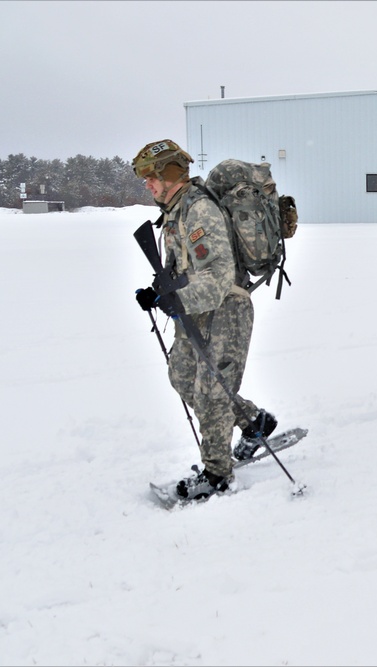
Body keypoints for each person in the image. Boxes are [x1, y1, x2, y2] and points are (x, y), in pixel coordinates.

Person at [131, 140, 277, 500]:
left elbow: (219, 277)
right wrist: (156, 291)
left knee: (211, 394)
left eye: (151, 177)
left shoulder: (200, 211)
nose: (147, 185)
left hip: (226, 309)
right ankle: (253, 421)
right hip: (192, 311)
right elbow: (178, 266)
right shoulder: (174, 212)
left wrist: (175, 299)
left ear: (170, 174)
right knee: (181, 376)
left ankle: (217, 474)